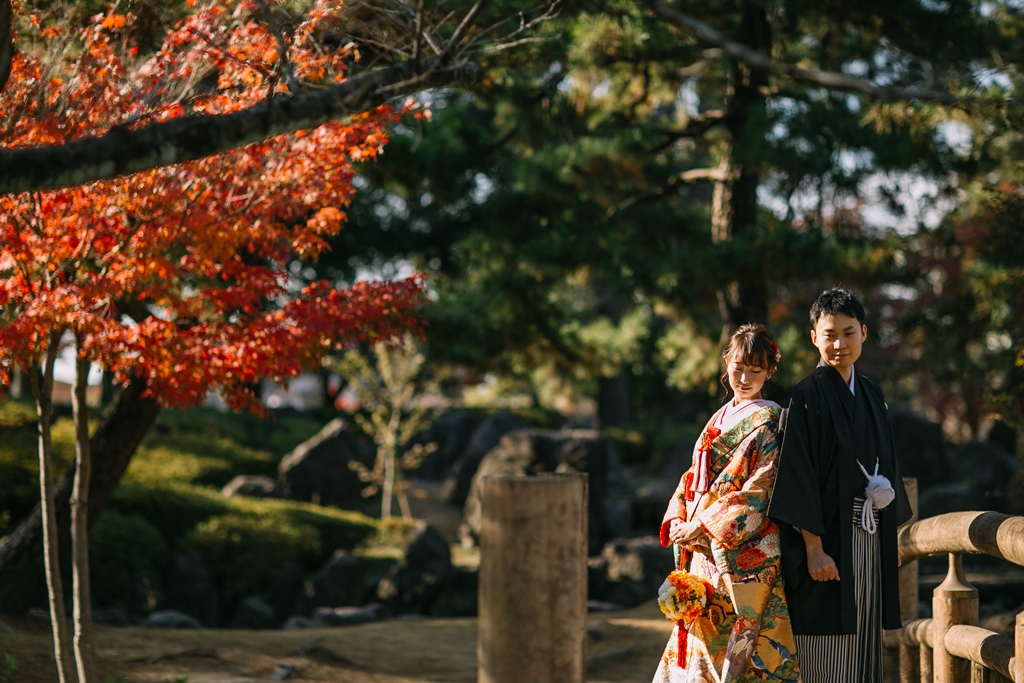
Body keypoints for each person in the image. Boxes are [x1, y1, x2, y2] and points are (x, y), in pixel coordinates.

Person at [768, 286, 913, 683]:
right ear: (814, 337)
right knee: (827, 646)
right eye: (829, 334)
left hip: (869, 534)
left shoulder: (870, 392)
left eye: (848, 333)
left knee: (865, 643)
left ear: (864, 333)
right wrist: (813, 550)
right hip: (828, 539)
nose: (839, 344)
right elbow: (798, 474)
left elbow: (888, 463)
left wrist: (891, 538)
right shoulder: (805, 397)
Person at [653, 323, 800, 683]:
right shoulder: (719, 417)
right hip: (703, 548)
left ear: (770, 371)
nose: (745, 377)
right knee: (699, 632)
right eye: (738, 367)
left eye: (756, 370)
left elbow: (760, 488)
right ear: (726, 362)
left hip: (741, 553)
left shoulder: (770, 421)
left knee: (742, 642)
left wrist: (702, 525)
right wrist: (677, 517)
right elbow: (692, 477)